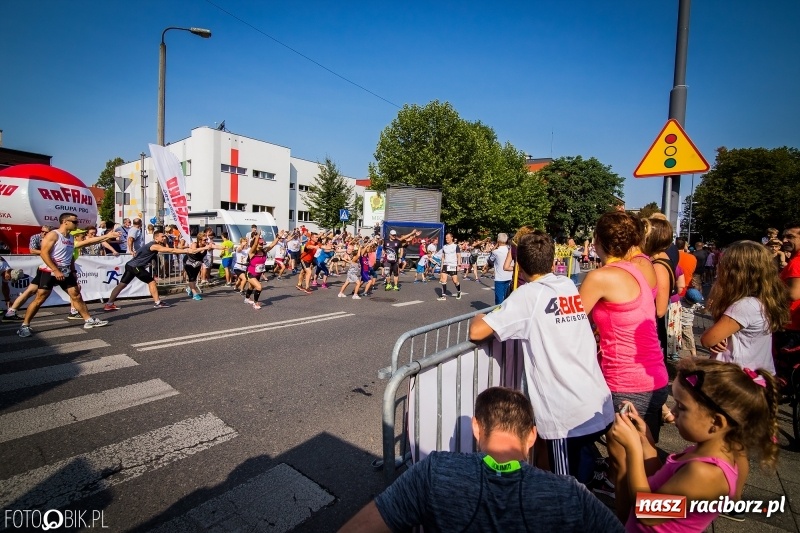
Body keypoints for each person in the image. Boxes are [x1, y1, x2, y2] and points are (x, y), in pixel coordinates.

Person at [339, 387, 623, 533]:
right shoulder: (569, 494)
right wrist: (637, 459)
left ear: (476, 428)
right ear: (532, 436)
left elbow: (358, 529)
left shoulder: (434, 473)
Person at [470, 231, 614, 481]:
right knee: (578, 475)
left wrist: (480, 315)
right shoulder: (566, 285)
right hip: (594, 400)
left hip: (565, 415)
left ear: (519, 264)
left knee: (564, 488)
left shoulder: (528, 295)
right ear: (551, 261)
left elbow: (477, 331)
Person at [609, 358, 779, 530]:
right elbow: (662, 482)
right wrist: (646, 441)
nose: (673, 411)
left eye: (682, 407)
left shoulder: (706, 473)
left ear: (717, 422)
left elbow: (647, 512)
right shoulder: (704, 452)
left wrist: (633, 451)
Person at [578, 212, 668, 501]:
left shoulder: (601, 276)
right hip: (653, 371)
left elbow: (572, 321)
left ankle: (640, 520)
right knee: (645, 453)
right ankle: (663, 512)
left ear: (598, 241)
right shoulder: (639, 269)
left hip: (626, 377)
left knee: (624, 463)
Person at [16, 213, 119, 337]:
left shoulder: (70, 238)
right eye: (75, 222)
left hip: (66, 271)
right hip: (50, 271)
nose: (77, 224)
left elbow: (79, 249)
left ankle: (88, 320)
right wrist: (56, 270)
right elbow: (44, 253)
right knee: (40, 298)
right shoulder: (53, 235)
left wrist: (107, 236)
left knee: (76, 295)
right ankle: (24, 325)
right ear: (65, 222)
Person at [701, 240, 789, 374]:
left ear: (737, 272)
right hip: (753, 375)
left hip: (738, 379)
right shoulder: (761, 300)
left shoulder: (745, 305)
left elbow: (707, 340)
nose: (719, 268)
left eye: (723, 265)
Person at [103, 229, 197, 311]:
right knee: (151, 282)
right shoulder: (154, 245)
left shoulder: (155, 244)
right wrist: (187, 251)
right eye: (162, 236)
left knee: (122, 284)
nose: (164, 238)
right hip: (136, 266)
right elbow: (171, 250)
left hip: (131, 265)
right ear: (156, 238)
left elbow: (169, 249)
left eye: (164, 236)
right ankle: (158, 303)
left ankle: (109, 304)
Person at [244, 230, 285, 309]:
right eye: (260, 243)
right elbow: (255, 244)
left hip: (258, 274)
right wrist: (258, 236)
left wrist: (278, 237)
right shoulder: (252, 252)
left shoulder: (264, 251)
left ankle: (247, 299)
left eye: (262, 243)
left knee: (251, 287)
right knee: (259, 287)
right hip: (250, 273)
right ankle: (255, 303)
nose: (262, 244)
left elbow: (272, 245)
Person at [182, 234, 213, 301]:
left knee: (194, 278)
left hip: (197, 263)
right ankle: (195, 294)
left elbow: (214, 246)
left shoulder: (206, 245)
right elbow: (194, 250)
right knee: (191, 278)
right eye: (204, 240)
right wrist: (204, 248)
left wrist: (223, 247)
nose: (206, 241)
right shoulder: (194, 244)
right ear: (200, 240)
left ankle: (189, 288)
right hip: (188, 262)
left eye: (206, 239)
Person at [437, 232, 461, 301]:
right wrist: (441, 267)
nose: (446, 239)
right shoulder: (444, 247)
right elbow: (443, 257)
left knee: (455, 281)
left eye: (448, 237)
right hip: (445, 264)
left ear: (451, 238)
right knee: (443, 280)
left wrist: (459, 265)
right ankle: (443, 296)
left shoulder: (456, 246)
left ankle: (459, 291)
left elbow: (459, 255)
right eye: (446, 238)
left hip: (453, 265)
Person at [489, 232, 512, 304]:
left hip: (500, 278)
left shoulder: (496, 252)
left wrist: (495, 247)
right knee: (507, 298)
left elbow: (490, 261)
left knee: (499, 299)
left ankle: (498, 313)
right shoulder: (510, 250)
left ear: (498, 240)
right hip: (510, 276)